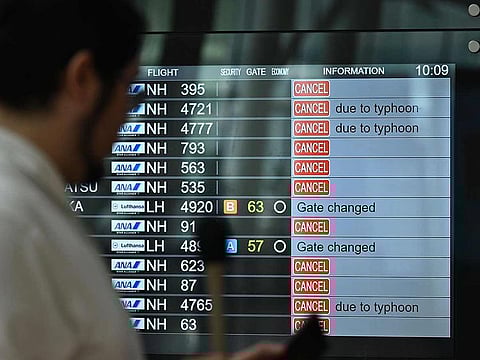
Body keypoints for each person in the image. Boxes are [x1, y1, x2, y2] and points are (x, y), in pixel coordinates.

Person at [0, 1, 285, 359]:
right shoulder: (14, 224)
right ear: (83, 79)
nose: (127, 115)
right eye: (130, 89)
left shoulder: (29, 208)